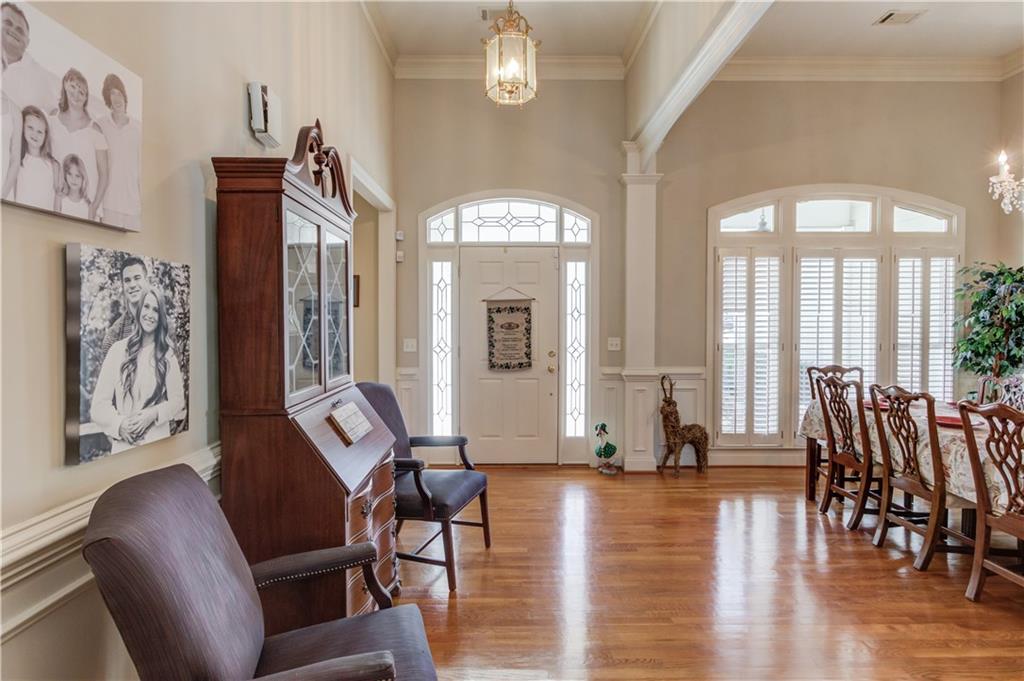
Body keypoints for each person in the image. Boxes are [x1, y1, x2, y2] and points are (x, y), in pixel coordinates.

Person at [91, 288, 185, 453]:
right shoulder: (117, 350)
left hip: (157, 447)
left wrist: (154, 414)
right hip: (124, 448)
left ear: (161, 316)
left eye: (155, 310)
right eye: (146, 307)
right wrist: (120, 425)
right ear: (139, 309)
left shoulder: (166, 354)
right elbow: (98, 406)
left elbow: (178, 400)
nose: (149, 314)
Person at [50, 68, 108, 221]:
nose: (76, 94)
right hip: (55, 201)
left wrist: (94, 206)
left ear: (86, 97)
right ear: (65, 87)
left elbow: (104, 174)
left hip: (84, 206)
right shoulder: (53, 118)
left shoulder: (95, 129)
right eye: (73, 87)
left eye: (82, 92)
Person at [97, 74, 140, 229]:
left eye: (119, 93)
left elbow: (140, 168)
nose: (116, 98)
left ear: (125, 96)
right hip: (109, 203)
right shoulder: (101, 124)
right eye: (112, 94)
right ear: (108, 99)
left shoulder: (137, 128)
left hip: (133, 205)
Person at [1, 3, 59, 113]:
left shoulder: (39, 76)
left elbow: (53, 113)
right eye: (8, 23)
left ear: (27, 42)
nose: (13, 30)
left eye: (20, 30)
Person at [12, 104, 59, 210]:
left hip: (44, 220)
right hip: (20, 217)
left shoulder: (53, 165)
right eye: (30, 128)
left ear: (45, 135)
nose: (35, 134)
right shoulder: (18, 161)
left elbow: (57, 200)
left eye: (40, 131)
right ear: (22, 128)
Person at [100, 255, 147, 358]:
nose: (132, 284)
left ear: (146, 281)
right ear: (123, 285)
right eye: (127, 280)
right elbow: (108, 373)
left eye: (137, 278)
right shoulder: (113, 336)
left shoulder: (165, 325)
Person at [60, 153, 90, 219]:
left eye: (77, 176)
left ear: (83, 177)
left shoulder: (87, 205)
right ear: (65, 175)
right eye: (70, 174)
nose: (73, 179)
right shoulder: (60, 200)